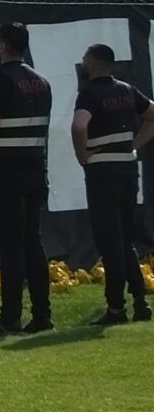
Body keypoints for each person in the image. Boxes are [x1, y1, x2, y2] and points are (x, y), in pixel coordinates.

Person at [0, 22, 53, 337]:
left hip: (4, 175)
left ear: (3, 45)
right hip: (34, 170)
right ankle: (42, 314)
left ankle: (10, 318)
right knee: (33, 243)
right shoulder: (42, 82)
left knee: (10, 247)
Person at [70, 43, 154, 325]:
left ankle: (116, 308)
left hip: (102, 170)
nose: (82, 63)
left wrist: (83, 155)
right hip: (128, 168)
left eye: (84, 59)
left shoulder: (89, 94)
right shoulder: (127, 90)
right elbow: (152, 114)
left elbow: (80, 126)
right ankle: (141, 301)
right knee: (126, 238)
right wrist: (136, 144)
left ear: (93, 63)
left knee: (109, 240)